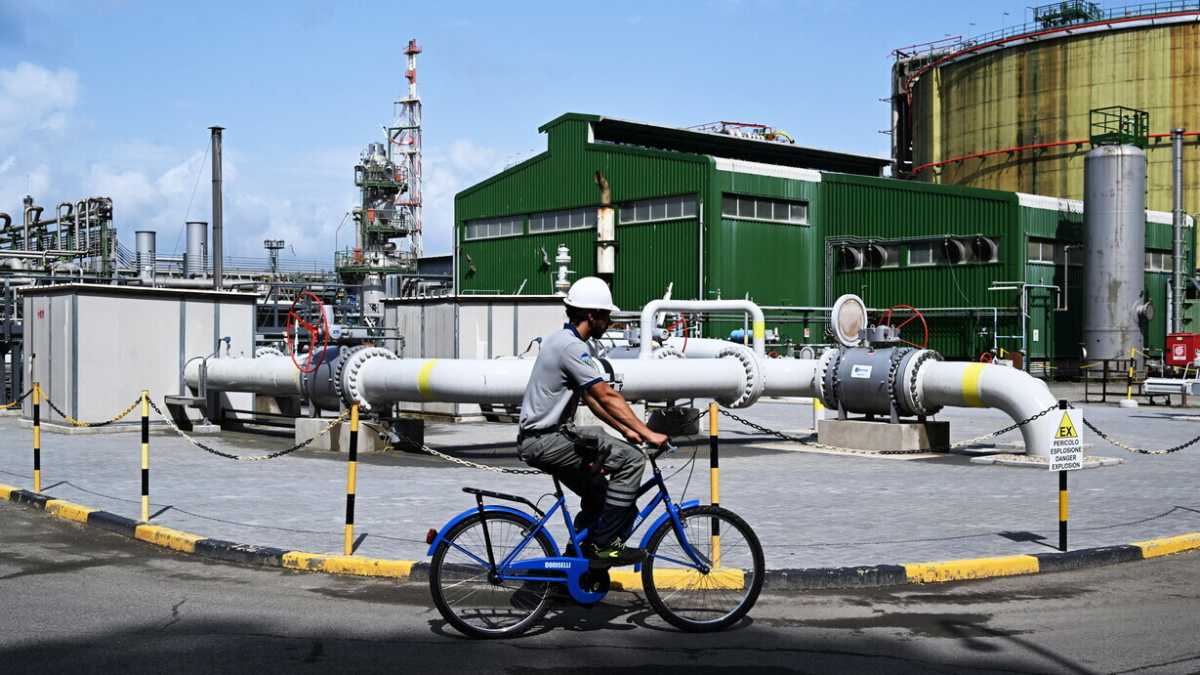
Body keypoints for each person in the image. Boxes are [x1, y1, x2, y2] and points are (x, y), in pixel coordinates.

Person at [517, 276, 669, 566]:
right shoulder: (571, 348)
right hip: (546, 440)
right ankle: (604, 545)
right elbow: (607, 395)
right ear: (591, 315)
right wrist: (648, 433)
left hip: (544, 437)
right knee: (633, 461)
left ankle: (576, 564)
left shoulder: (562, 340)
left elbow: (593, 400)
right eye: (606, 316)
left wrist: (627, 430)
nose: (610, 322)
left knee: (599, 489)